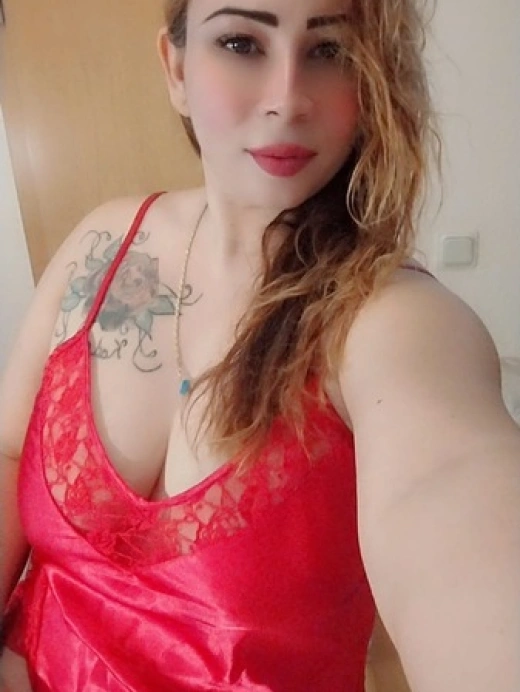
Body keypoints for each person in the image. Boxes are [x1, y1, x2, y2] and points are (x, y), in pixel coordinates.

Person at [0, 0, 519, 690]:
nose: (287, 100)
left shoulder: (395, 322)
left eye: (330, 51)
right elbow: (10, 451)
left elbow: (452, 488)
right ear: (176, 68)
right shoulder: (104, 242)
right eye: (242, 43)